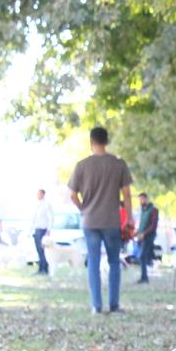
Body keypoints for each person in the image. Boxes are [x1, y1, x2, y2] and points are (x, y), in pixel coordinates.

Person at [68, 126, 133, 314]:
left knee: (93, 262)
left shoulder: (82, 165)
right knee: (114, 262)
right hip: (111, 220)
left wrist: (83, 208)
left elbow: (72, 194)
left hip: (90, 221)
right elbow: (127, 195)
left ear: (91, 142)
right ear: (107, 141)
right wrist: (128, 217)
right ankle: (114, 305)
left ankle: (96, 305)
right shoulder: (118, 164)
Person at [135, 192, 159, 284]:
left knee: (143, 256)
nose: (140, 201)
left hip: (149, 236)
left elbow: (153, 225)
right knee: (143, 256)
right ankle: (143, 276)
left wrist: (144, 234)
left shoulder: (153, 210)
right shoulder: (143, 210)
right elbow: (142, 224)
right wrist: (137, 232)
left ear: (146, 199)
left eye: (141, 199)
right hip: (142, 236)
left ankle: (144, 277)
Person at [31, 188, 53, 275]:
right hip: (36, 229)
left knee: (43, 250)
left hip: (43, 229)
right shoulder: (37, 204)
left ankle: (45, 268)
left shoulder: (46, 205)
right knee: (38, 250)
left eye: (39, 194)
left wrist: (48, 229)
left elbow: (51, 217)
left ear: (43, 194)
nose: (38, 196)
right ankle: (40, 268)